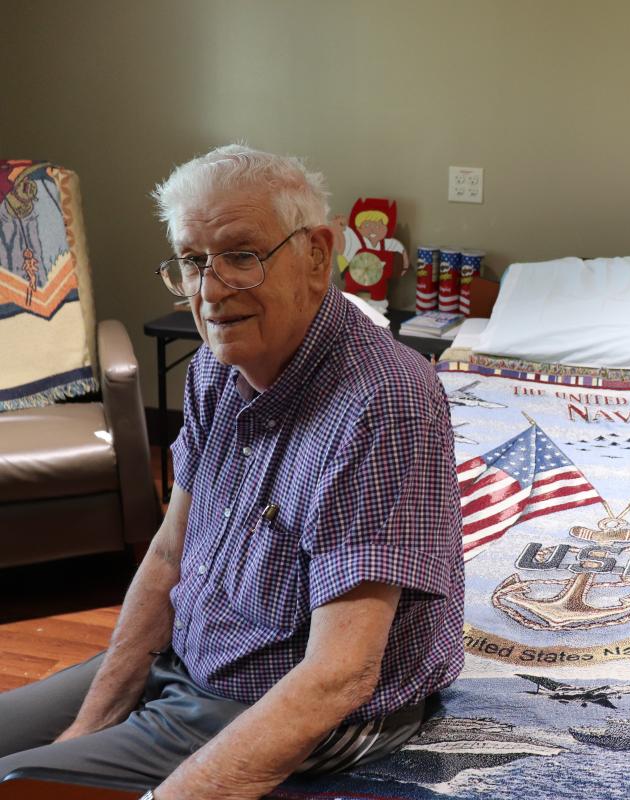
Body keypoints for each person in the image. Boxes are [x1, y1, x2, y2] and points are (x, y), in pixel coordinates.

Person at [0, 144, 465, 800]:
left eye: (241, 256)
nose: (209, 291)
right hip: (188, 658)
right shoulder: (214, 369)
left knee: (16, 787)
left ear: (315, 254)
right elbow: (168, 555)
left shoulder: (383, 402)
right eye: (192, 263)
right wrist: (88, 727)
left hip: (274, 698)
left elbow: (341, 674)